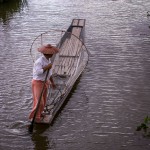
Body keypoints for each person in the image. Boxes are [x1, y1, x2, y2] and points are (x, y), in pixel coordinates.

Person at [29, 44, 59, 122]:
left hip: (45, 82)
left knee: (44, 100)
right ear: (48, 54)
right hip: (38, 83)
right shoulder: (39, 62)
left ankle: (40, 113)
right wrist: (47, 67)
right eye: (52, 53)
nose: (52, 54)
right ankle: (35, 117)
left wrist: (52, 82)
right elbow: (38, 72)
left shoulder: (48, 60)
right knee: (40, 102)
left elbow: (49, 73)